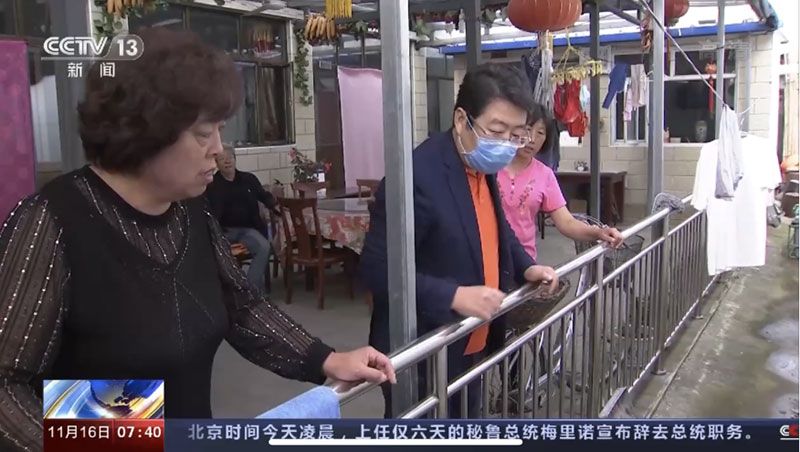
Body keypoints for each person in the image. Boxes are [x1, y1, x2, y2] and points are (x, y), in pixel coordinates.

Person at [0, 28, 394, 452]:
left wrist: (326, 359)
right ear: (144, 131)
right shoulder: (52, 221)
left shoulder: (189, 211)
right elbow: (6, 385)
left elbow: (241, 306)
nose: (218, 150)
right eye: (204, 134)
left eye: (220, 131)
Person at [360, 64, 559, 419]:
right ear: (461, 119)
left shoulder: (481, 165)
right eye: (496, 131)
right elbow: (376, 269)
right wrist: (454, 295)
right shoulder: (417, 176)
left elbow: (496, 227)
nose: (506, 145)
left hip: (471, 340)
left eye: (516, 135)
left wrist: (526, 267)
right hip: (423, 349)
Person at [497, 103, 624, 262]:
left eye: (540, 133)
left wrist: (599, 232)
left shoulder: (544, 175)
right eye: (527, 130)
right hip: (483, 258)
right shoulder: (490, 165)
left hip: (523, 262)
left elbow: (566, 222)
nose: (532, 139)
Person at [207, 144, 275, 294]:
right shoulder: (212, 185)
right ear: (217, 163)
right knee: (214, 253)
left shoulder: (248, 179)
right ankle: (230, 291)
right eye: (222, 159)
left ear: (235, 159)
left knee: (263, 247)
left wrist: (274, 204)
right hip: (223, 232)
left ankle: (249, 291)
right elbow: (208, 212)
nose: (227, 161)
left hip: (247, 230)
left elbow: (264, 197)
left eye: (230, 157)